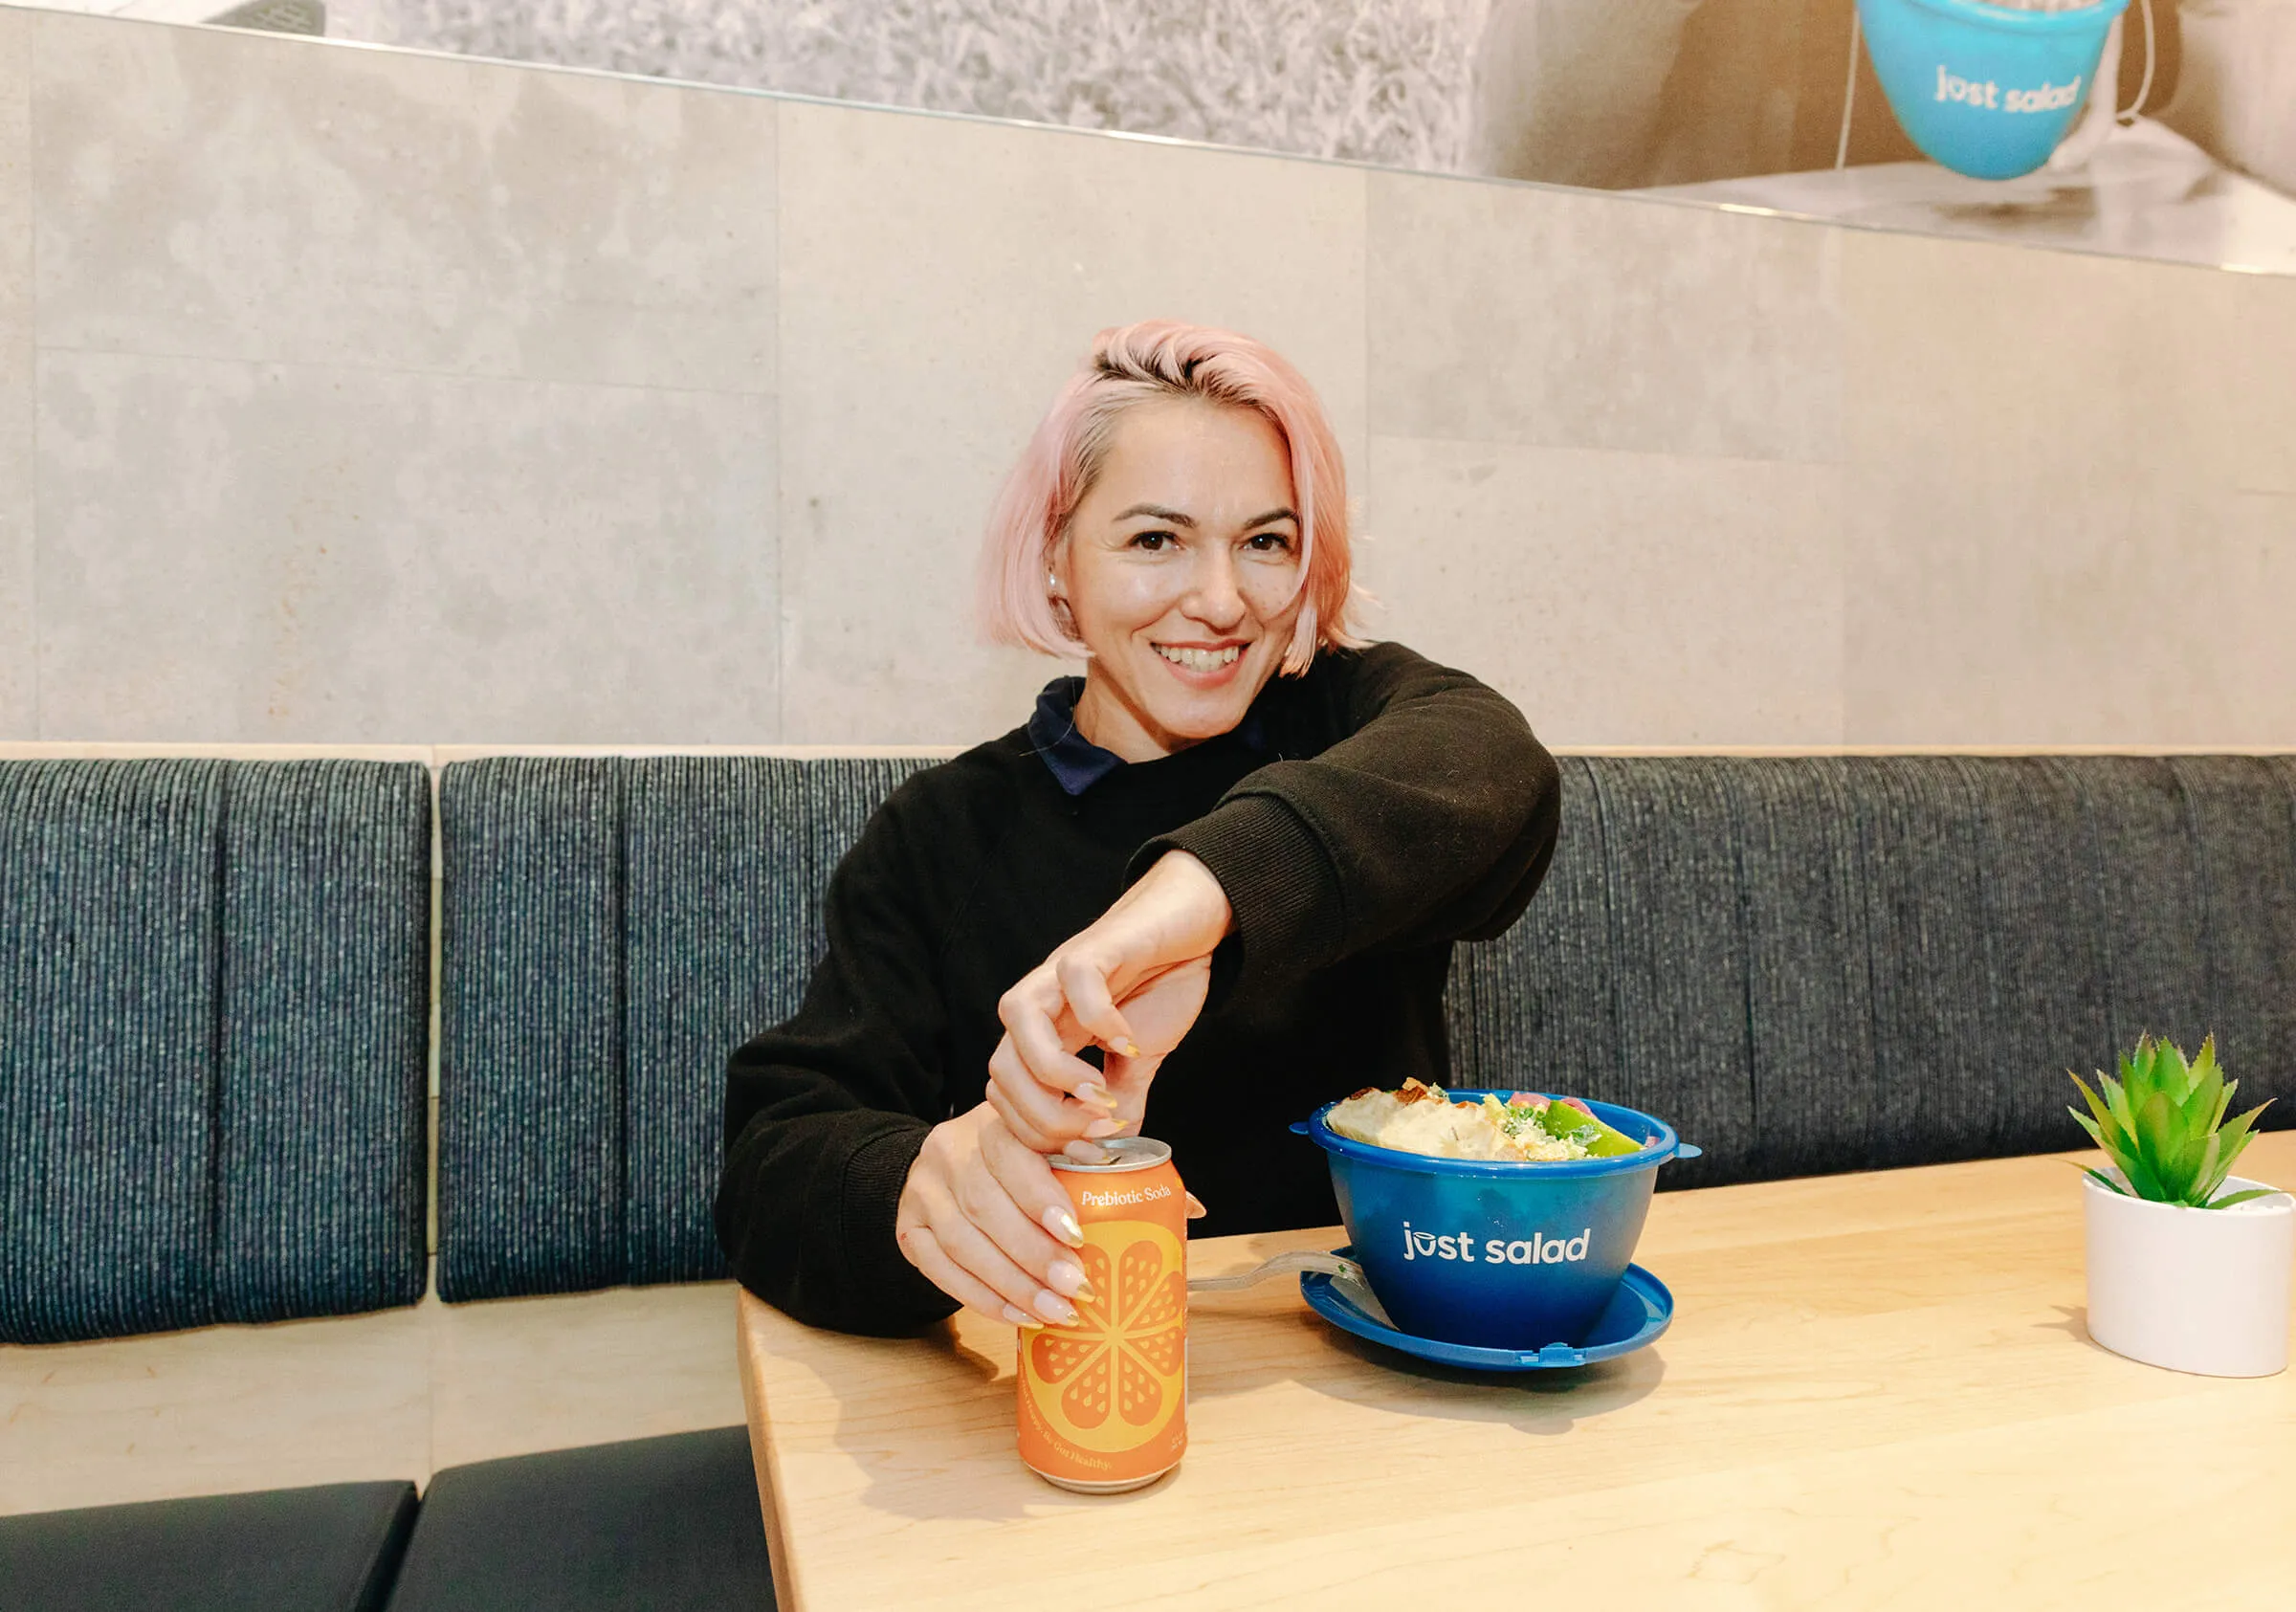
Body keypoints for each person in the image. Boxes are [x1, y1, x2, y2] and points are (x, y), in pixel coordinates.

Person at [715, 320, 1561, 1337]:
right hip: (1056, 1383)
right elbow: (777, 1154)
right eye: (1156, 539)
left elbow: (1491, 760)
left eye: (1266, 541)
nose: (1219, 600)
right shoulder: (943, 832)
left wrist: (1198, 896)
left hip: (1366, 1378)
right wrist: (913, 1182)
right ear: (1058, 558)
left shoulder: (1345, 721)